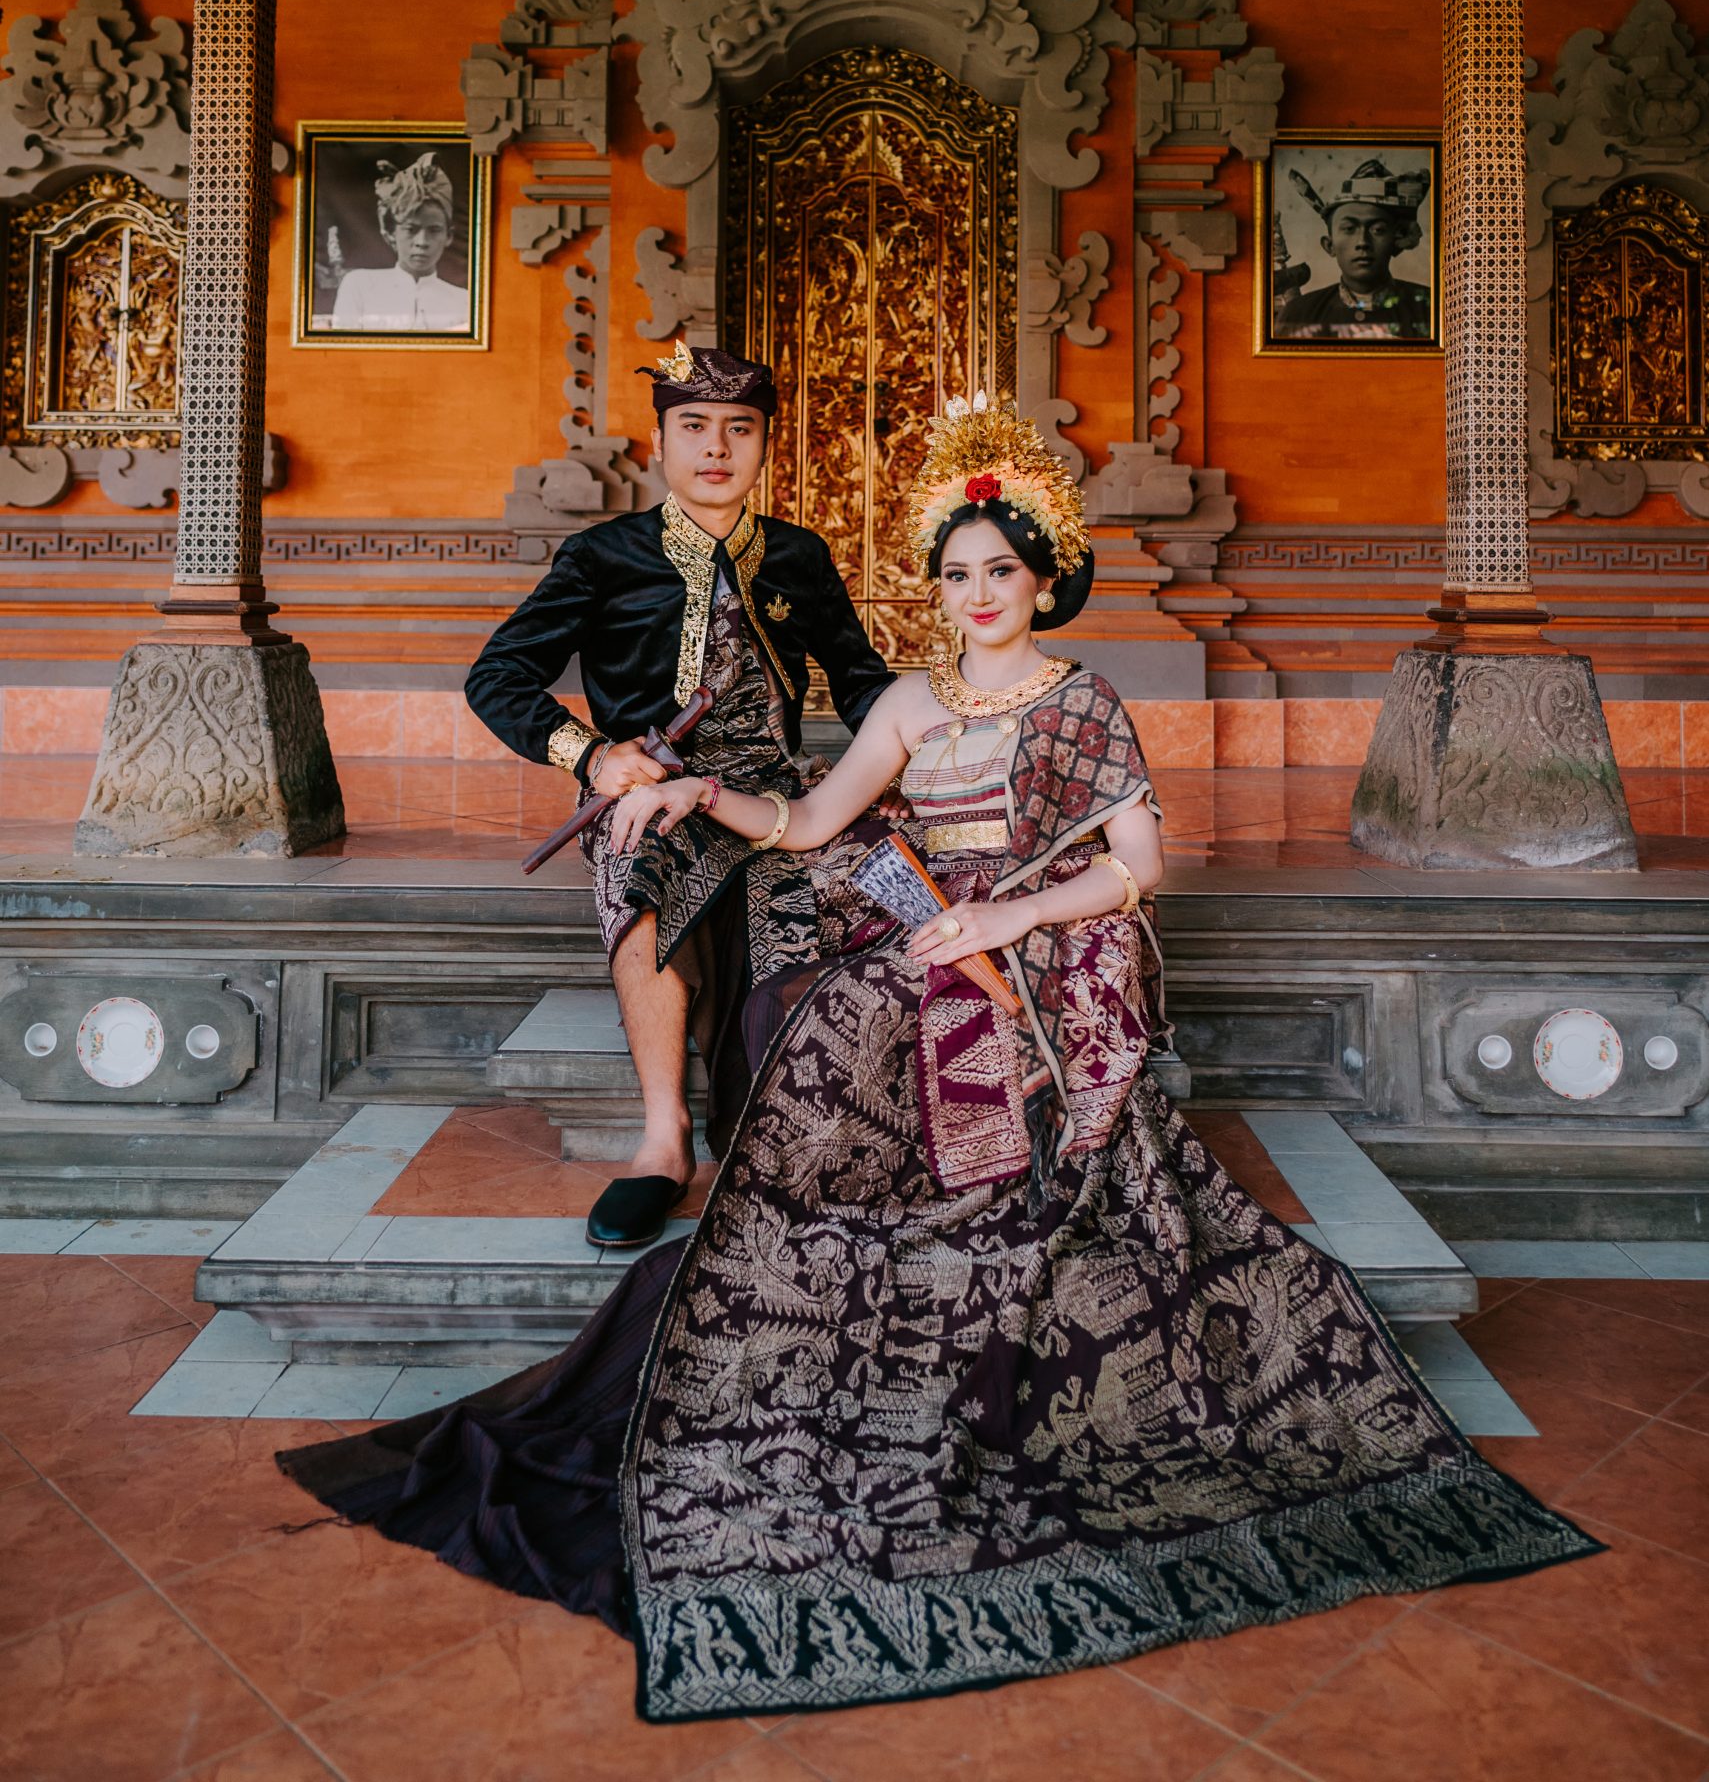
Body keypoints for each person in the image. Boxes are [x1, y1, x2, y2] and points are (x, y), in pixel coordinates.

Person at [283, 396, 1596, 1718]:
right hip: (926, 922)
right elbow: (810, 820)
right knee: (827, 1009)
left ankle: (966, 1223)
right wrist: (691, 791)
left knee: (933, 1029)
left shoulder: (1080, 702)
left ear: (1042, 581)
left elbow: (1137, 869)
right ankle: (829, 1223)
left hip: (1046, 940)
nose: (976, 594)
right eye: (956, 574)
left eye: (999, 572)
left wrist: (1009, 919)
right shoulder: (914, 700)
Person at [462, 338, 890, 1248]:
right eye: (693, 426)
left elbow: (861, 684)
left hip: (770, 791)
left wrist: (930, 748)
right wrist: (591, 758)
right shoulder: (601, 556)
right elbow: (497, 677)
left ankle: (815, 1123)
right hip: (648, 791)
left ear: (766, 443)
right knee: (637, 867)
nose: (716, 447)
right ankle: (664, 1138)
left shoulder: (799, 556)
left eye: (739, 428)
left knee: (869, 874)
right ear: (659, 442)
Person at [1275, 154, 1433, 340]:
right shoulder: (1298, 314)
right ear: (1329, 245)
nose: (1362, 242)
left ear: (1397, 240)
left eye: (1377, 230)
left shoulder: (1432, 309)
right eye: (1349, 229)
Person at [325, 151, 470, 333]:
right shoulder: (359, 286)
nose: (422, 242)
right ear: (391, 232)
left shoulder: (464, 301)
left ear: (449, 236)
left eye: (434, 230)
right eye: (411, 229)